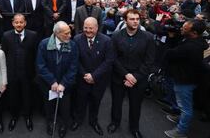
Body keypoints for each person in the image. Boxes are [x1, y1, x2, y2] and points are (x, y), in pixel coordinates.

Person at [107, 9, 155, 138]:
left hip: (138, 79)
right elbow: (113, 58)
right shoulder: (116, 36)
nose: (135, 22)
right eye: (132, 19)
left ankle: (134, 128)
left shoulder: (148, 37)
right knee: (116, 102)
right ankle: (115, 122)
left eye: (137, 19)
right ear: (125, 20)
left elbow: (149, 60)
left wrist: (135, 76)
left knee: (136, 105)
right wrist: (126, 74)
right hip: (119, 76)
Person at [164, 20, 209, 138]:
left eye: (185, 28)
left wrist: (170, 39)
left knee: (185, 108)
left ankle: (180, 131)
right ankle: (180, 117)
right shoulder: (200, 42)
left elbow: (169, 54)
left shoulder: (189, 47)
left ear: (194, 32)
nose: (181, 28)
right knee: (184, 104)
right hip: (192, 78)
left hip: (184, 80)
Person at [71, 17, 115, 135]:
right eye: (85, 27)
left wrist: (94, 76)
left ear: (97, 27)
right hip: (82, 78)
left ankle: (93, 121)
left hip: (99, 80)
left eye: (91, 28)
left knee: (96, 101)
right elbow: (75, 59)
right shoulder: (76, 39)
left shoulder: (106, 40)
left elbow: (109, 61)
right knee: (80, 101)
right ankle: (78, 119)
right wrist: (85, 74)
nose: (88, 30)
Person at [36, 21, 78, 138]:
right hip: (48, 84)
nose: (70, 36)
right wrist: (52, 81)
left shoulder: (73, 45)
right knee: (49, 105)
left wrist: (63, 83)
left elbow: (73, 67)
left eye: (70, 32)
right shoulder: (44, 44)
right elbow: (40, 66)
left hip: (65, 84)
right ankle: (50, 123)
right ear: (56, 33)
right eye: (66, 33)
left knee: (65, 107)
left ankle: (63, 125)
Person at [1, 14, 38, 131]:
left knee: (28, 96)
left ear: (25, 23)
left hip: (28, 73)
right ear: (13, 23)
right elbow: (4, 55)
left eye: (21, 22)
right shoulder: (6, 36)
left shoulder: (33, 35)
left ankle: (27, 117)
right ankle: (14, 117)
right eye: (16, 22)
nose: (19, 24)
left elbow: (36, 55)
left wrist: (35, 73)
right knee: (13, 97)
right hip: (12, 73)